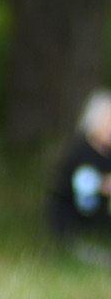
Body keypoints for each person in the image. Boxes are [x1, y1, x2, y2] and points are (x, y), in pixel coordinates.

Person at [46, 90, 111, 261]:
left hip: (98, 221)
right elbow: (83, 182)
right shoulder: (79, 151)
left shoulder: (108, 154)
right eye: (108, 122)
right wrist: (102, 184)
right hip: (72, 218)